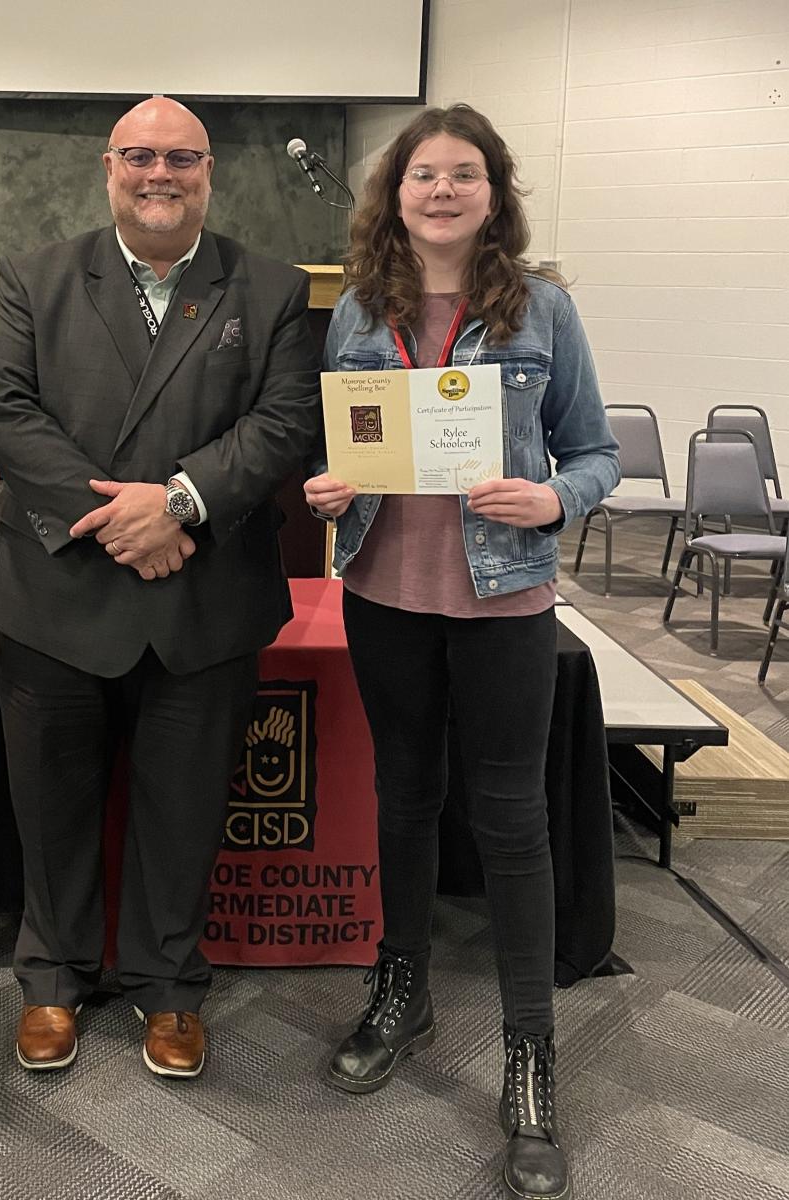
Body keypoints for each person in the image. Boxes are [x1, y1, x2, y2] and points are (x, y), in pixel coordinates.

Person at [304, 105, 617, 1200]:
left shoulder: (542, 310)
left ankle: (529, 1053)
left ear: (495, 193)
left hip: (505, 601)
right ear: (396, 195)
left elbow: (597, 451)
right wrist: (329, 486)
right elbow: (336, 443)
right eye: (423, 174)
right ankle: (404, 990)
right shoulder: (358, 309)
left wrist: (554, 495)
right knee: (402, 799)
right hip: (385, 591)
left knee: (512, 821)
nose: (441, 190)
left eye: (463, 174)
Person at [0, 96, 319, 1079]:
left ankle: (169, 988)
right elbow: (4, 409)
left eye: (180, 157)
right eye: (140, 156)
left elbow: (284, 423)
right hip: (60, 589)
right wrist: (125, 523)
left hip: (202, 596)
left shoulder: (272, 288)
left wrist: (178, 503)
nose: (158, 173)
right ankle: (52, 978)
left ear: (210, 171)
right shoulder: (34, 277)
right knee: (51, 805)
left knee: (185, 808)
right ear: (108, 165)